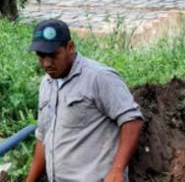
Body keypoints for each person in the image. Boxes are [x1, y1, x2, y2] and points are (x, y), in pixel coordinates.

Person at [26, 20, 143, 182]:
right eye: (40, 56)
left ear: (70, 47)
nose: (46, 63)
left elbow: (132, 120)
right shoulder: (47, 83)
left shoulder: (99, 77)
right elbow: (43, 138)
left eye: (53, 55)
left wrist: (117, 170)